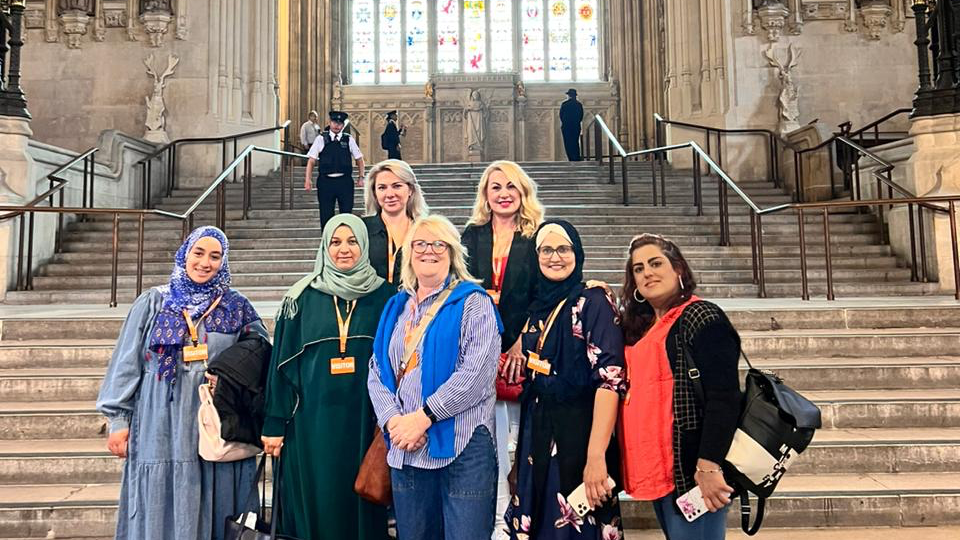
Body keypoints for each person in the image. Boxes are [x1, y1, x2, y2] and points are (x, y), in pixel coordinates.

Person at [96, 226, 268, 540]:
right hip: (161, 421)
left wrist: (231, 373)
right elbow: (126, 362)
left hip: (216, 421)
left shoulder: (237, 306)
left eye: (215, 256)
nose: (205, 262)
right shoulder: (154, 302)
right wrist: (118, 419)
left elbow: (259, 353)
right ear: (184, 254)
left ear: (224, 262)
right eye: (198, 253)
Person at [367, 215, 503, 540]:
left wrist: (423, 417)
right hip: (406, 446)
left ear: (452, 252)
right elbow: (377, 371)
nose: (430, 250)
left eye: (439, 243)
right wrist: (394, 422)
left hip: (463, 446)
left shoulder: (473, 302)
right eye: (420, 244)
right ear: (409, 253)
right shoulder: (396, 306)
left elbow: (475, 375)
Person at [261, 213, 394, 540]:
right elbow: (280, 366)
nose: (343, 249)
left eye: (351, 241)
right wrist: (274, 425)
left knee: (363, 499)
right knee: (316, 503)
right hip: (310, 425)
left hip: (366, 422)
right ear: (324, 246)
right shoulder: (301, 298)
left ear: (364, 245)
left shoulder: (387, 298)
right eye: (335, 242)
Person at [505, 220, 626, 540]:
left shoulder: (593, 301)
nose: (554, 257)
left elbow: (610, 380)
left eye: (563, 248)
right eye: (546, 249)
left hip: (580, 433)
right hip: (538, 431)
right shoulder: (534, 308)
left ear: (578, 252)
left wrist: (597, 457)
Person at [617, 233, 742, 540]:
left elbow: (724, 397)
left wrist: (709, 465)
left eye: (656, 263)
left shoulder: (701, 315)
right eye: (638, 268)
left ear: (679, 270)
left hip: (692, 471)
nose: (647, 272)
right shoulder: (645, 328)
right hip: (660, 470)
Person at [460, 160, 544, 540]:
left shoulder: (537, 236)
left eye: (511, 186)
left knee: (520, 443)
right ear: (486, 195)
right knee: (489, 444)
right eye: (495, 187)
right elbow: (459, 291)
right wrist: (485, 346)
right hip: (479, 351)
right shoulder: (472, 235)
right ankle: (495, 522)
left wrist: (518, 345)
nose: (504, 193)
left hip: (523, 352)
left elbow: (544, 298)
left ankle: (525, 516)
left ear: (523, 192)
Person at [362, 159, 429, 285]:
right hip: (373, 303)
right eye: (382, 188)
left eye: (397, 186)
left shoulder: (426, 230)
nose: (390, 194)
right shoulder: (362, 229)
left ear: (410, 190)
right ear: (375, 194)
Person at [305, 110, 366, 230]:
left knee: (347, 214)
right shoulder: (321, 139)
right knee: (326, 215)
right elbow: (311, 161)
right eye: (334, 122)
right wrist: (308, 179)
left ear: (343, 125)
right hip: (326, 182)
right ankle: (327, 243)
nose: (337, 125)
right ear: (330, 122)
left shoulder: (348, 139)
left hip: (344, 182)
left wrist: (361, 177)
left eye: (340, 123)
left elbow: (359, 159)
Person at [559, 89, 584, 162]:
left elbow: (561, 115)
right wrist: (576, 122)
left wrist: (565, 123)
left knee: (568, 143)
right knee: (575, 142)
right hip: (575, 126)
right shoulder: (578, 104)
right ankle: (576, 157)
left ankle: (571, 158)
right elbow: (581, 116)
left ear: (569, 95)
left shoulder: (564, 104)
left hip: (566, 126)